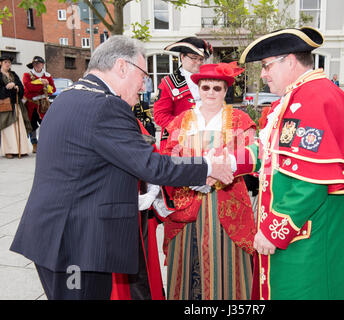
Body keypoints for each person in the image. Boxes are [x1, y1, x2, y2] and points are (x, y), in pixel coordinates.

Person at [9, 36, 234, 300]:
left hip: (52, 236)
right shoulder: (106, 105)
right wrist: (208, 166)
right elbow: (150, 165)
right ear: (122, 67)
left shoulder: (69, 97)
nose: (144, 84)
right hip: (78, 247)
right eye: (143, 75)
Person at [234, 27, 344, 300]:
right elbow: (275, 153)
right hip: (308, 226)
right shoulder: (303, 95)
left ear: (289, 61)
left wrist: (274, 230)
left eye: (266, 66)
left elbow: (311, 180)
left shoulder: (311, 98)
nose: (263, 74)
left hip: (307, 230)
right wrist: (232, 162)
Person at [157, 62, 257, 300]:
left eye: (217, 88)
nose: (211, 92)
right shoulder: (182, 120)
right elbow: (169, 154)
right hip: (188, 202)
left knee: (228, 264)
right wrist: (192, 176)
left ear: (225, 91)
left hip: (227, 201)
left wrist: (215, 173)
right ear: (198, 89)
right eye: (206, 87)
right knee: (186, 261)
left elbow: (251, 154)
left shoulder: (239, 120)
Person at [153, 37, 212, 151]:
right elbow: (160, 116)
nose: (198, 63)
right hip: (177, 143)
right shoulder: (168, 83)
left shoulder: (208, 80)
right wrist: (185, 129)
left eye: (201, 59)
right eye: (194, 58)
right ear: (182, 57)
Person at [0, 55, 32, 158]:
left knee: (19, 126)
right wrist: (6, 88)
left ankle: (21, 149)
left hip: (16, 104)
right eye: (5, 62)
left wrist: (17, 87)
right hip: (5, 105)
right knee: (8, 128)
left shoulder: (13, 74)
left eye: (9, 62)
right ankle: (9, 151)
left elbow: (21, 87)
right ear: (1, 63)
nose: (8, 64)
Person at [22, 56, 55, 153]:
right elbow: (29, 88)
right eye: (35, 64)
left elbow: (53, 90)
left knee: (46, 123)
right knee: (32, 125)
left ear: (43, 65)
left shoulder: (48, 76)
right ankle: (34, 144)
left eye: (39, 63)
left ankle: (43, 142)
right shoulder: (27, 75)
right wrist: (42, 83)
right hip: (31, 104)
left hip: (43, 104)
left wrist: (46, 86)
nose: (37, 65)